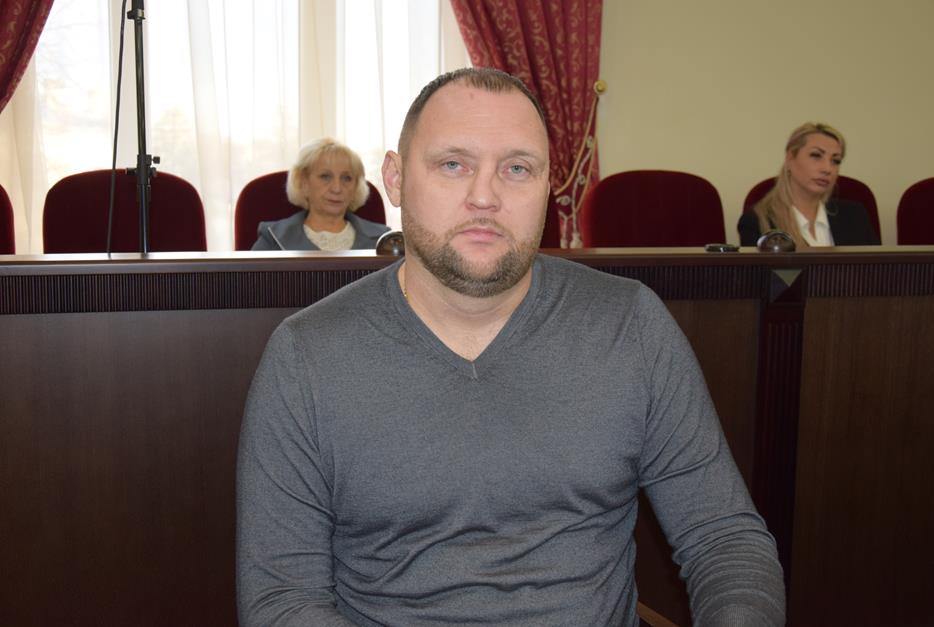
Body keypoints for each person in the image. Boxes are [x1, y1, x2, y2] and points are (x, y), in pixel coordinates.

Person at [237, 68, 786, 626]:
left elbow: (724, 540)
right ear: (395, 180)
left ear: (548, 186)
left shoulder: (630, 325)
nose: (485, 197)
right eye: (453, 165)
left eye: (517, 168)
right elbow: (283, 598)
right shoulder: (307, 355)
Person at [738, 122, 879, 248]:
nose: (827, 169)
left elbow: (875, 268)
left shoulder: (856, 216)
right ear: (790, 158)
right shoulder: (757, 222)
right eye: (816, 155)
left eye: (835, 161)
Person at [251, 138, 390, 251]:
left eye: (346, 178)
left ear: (356, 187)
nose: (337, 188)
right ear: (303, 182)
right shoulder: (273, 239)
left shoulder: (384, 240)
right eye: (325, 176)